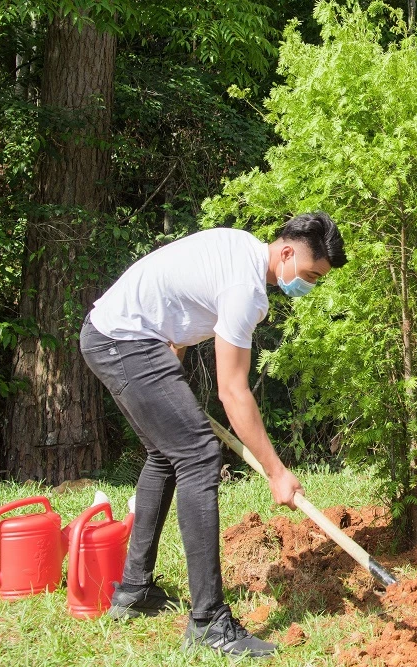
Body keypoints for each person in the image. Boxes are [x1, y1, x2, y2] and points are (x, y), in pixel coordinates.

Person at [80, 212, 347, 657]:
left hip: (125, 336)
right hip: (122, 340)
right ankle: (207, 621)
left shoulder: (239, 248)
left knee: (166, 454)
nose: (308, 287)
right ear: (286, 252)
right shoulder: (246, 292)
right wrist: (277, 471)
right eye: (310, 275)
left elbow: (178, 296)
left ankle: (133, 590)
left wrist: (174, 354)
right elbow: (232, 391)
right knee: (200, 456)